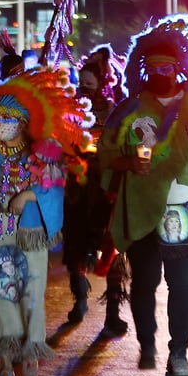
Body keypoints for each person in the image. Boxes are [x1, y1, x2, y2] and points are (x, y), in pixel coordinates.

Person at [98, 17, 188, 376]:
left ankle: (180, 352)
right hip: (141, 209)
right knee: (144, 282)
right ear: (144, 68)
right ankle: (147, 343)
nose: (160, 72)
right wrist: (128, 161)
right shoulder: (128, 110)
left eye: (167, 66)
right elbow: (104, 155)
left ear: (180, 68)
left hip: (182, 213)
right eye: (153, 66)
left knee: (181, 284)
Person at [0, 68, 88, 376]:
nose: (0, 125)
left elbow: (56, 185)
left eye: (8, 119)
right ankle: (6, 357)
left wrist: (29, 194)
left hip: (28, 232)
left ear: (23, 123)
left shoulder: (42, 151)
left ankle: (31, 351)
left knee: (30, 290)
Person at [61, 44, 130, 335]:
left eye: (91, 84)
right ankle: (79, 299)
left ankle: (113, 312)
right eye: (82, 84)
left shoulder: (115, 110)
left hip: (106, 186)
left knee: (111, 248)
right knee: (75, 244)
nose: (85, 89)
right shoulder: (70, 107)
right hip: (77, 186)